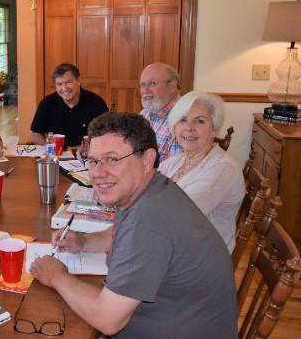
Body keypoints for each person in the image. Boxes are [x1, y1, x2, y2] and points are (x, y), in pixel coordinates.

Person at [30, 112, 237, 338]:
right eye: (93, 160)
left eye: (112, 159)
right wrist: (83, 241)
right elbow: (122, 232)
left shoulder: (149, 220)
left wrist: (56, 276)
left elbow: (108, 320)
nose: (98, 173)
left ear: (147, 160)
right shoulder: (152, 189)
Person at [158, 91, 244, 253]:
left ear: (214, 129)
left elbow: (176, 217)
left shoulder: (223, 170)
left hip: (202, 258)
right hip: (173, 243)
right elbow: (146, 189)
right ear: (174, 127)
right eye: (182, 120)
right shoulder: (177, 161)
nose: (189, 128)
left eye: (200, 121)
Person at [30, 63, 107, 148]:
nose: (64, 88)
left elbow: (106, 135)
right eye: (59, 84)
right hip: (57, 156)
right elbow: (35, 134)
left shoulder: (96, 103)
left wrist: (84, 149)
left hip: (87, 155)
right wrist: (50, 147)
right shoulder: (47, 103)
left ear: (78, 81)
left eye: (68, 82)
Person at [139, 63, 181, 162]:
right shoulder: (146, 112)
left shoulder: (184, 119)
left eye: (152, 83)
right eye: (142, 85)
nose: (145, 90)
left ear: (172, 86)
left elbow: (174, 171)